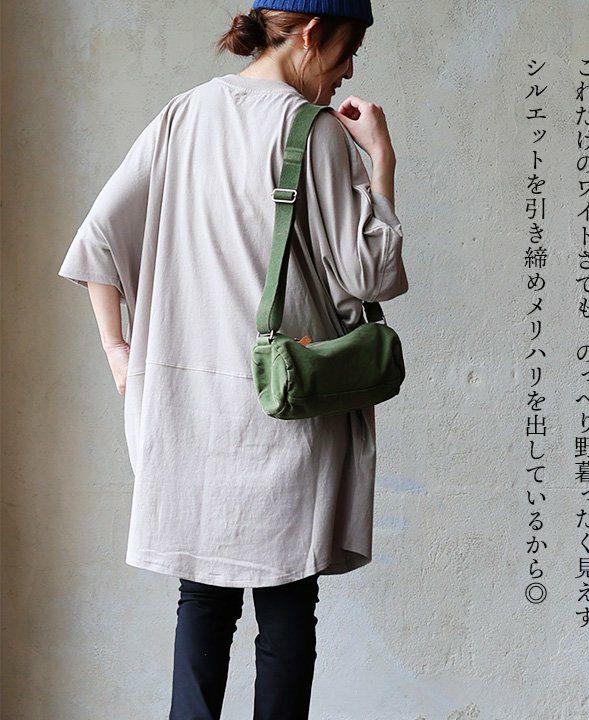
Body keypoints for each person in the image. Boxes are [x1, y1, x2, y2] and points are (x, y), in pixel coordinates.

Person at [56, 0, 409, 717]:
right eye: (348, 51)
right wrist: (382, 162)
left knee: (202, 598)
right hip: (285, 409)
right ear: (312, 34)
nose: (347, 71)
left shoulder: (183, 114)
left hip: (190, 415)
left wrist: (118, 350)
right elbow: (373, 275)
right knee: (287, 605)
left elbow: (99, 237)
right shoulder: (313, 131)